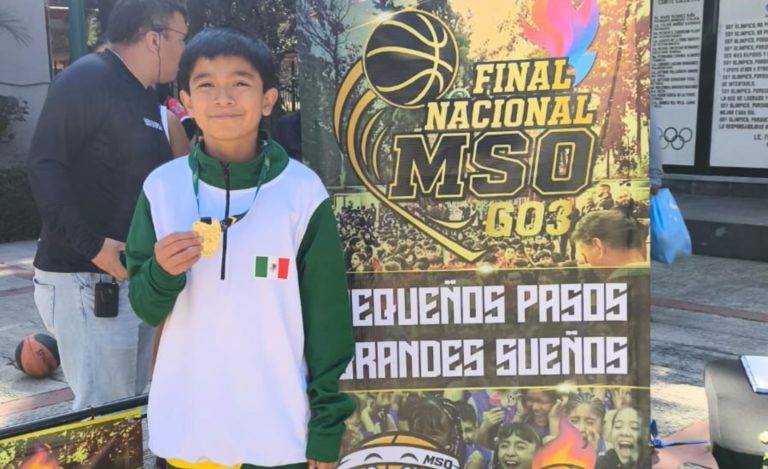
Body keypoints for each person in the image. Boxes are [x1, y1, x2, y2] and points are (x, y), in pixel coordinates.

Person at [125, 28, 354, 468]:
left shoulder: (302, 192)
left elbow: (328, 320)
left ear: (267, 100)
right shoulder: (162, 189)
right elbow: (145, 307)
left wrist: (327, 426)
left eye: (240, 83)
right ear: (187, 102)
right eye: (206, 84)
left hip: (277, 436)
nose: (223, 97)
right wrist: (160, 273)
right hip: (188, 433)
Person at [26, 0, 187, 411]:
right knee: (104, 416)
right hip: (85, 279)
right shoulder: (89, 79)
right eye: (181, 39)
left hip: (127, 279)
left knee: (125, 411)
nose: (183, 51)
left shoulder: (144, 96)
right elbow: (44, 165)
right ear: (154, 39)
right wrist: (94, 246)